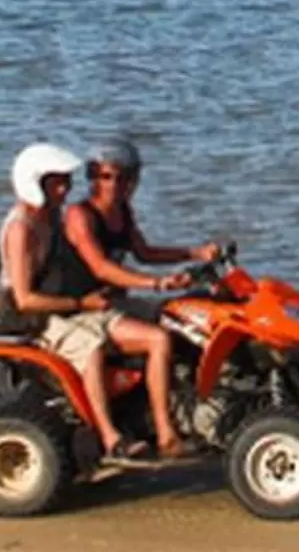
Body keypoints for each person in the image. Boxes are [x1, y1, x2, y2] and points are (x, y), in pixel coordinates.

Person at [0, 142, 146, 462]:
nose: (66, 188)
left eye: (66, 180)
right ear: (35, 183)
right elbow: (25, 298)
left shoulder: (50, 216)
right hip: (28, 316)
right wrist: (81, 303)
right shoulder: (22, 228)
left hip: (58, 305)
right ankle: (110, 438)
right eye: (57, 181)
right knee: (92, 347)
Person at [63, 139, 210, 458]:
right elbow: (100, 268)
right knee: (158, 340)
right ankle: (165, 433)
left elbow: (144, 252)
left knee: (184, 320)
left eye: (123, 178)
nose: (115, 185)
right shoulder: (80, 215)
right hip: (85, 309)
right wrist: (156, 284)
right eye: (106, 176)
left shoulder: (122, 212)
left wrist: (196, 254)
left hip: (115, 305)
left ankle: (188, 408)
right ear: (93, 177)